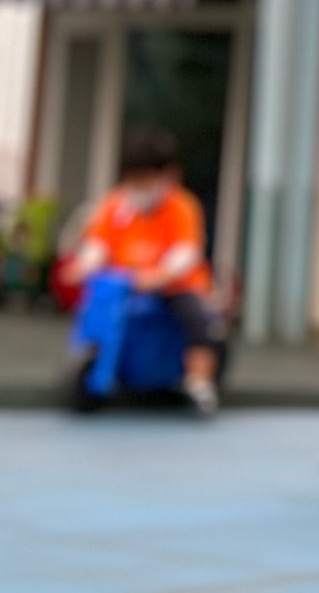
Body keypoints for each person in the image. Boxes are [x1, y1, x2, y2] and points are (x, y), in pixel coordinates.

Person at [72, 126, 224, 414]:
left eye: (147, 179)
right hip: (124, 284)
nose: (140, 187)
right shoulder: (116, 205)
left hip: (175, 286)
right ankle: (99, 362)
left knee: (196, 318)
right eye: (135, 179)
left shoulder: (181, 206)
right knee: (99, 313)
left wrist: (162, 275)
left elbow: (186, 251)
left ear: (169, 176)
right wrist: (84, 264)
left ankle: (199, 382)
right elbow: (98, 243)